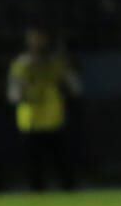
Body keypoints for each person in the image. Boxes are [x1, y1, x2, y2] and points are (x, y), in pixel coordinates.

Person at [7, 27, 81, 191]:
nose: (37, 42)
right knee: (34, 169)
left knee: (63, 166)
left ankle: (70, 195)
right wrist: (25, 92)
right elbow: (13, 95)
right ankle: (37, 198)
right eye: (34, 38)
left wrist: (68, 70)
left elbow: (75, 88)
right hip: (30, 122)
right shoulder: (21, 65)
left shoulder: (57, 63)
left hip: (54, 120)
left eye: (40, 38)